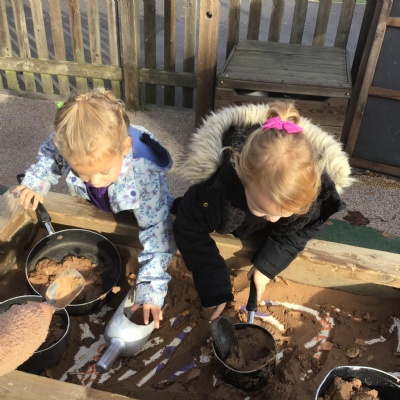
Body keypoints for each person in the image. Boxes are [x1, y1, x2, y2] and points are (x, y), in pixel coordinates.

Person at [172, 101, 354, 321]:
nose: (274, 219)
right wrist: (213, 283)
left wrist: (267, 267)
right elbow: (188, 226)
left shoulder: (313, 200)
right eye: (262, 209)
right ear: (241, 177)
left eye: (285, 213)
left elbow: (301, 231)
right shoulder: (218, 193)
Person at [13, 88, 176, 328]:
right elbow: (51, 154)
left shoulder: (144, 177)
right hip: (103, 200)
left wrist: (151, 288)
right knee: (98, 187)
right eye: (83, 174)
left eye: (103, 172)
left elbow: (158, 233)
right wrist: (37, 180)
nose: (96, 181)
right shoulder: (68, 144)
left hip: (134, 202)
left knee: (152, 220)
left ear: (126, 147)